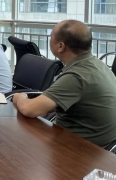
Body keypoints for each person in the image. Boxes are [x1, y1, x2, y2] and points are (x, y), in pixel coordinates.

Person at [12, 20, 116, 149]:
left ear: (61, 46)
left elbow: (29, 109)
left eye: (51, 37)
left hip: (81, 151)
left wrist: (19, 97)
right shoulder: (97, 65)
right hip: (100, 146)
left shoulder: (77, 76)